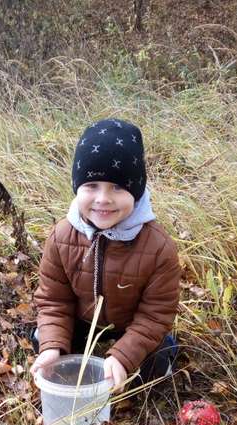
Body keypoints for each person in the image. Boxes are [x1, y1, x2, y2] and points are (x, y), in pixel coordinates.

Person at [31, 118, 180, 390]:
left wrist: (123, 357)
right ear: (77, 188)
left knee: (153, 364)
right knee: (42, 339)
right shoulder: (61, 236)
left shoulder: (159, 248)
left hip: (132, 325)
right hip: (82, 322)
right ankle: (65, 353)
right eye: (92, 186)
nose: (103, 199)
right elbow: (53, 301)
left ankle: (160, 354)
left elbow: (155, 315)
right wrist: (51, 346)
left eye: (118, 187)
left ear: (137, 192)